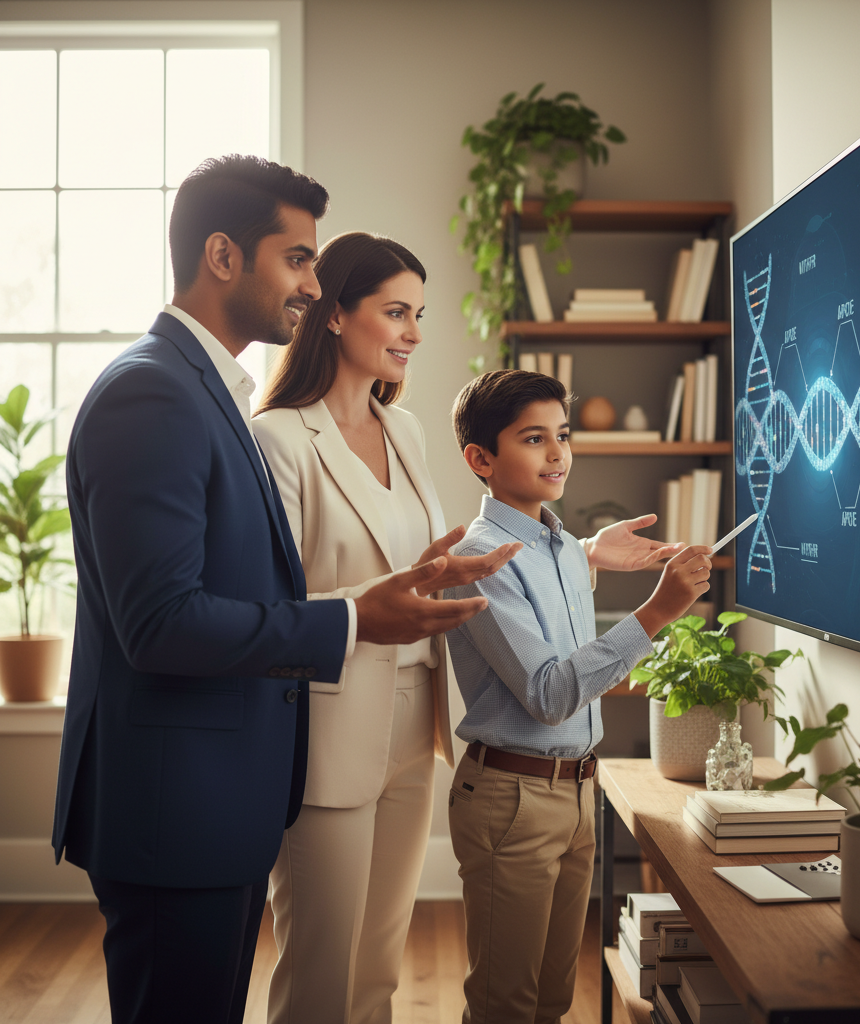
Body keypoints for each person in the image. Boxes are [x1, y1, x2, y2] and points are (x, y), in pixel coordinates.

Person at [51, 157, 487, 1024]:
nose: (313, 284)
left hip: (221, 796)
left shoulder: (206, 390)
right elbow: (161, 623)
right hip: (179, 806)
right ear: (222, 255)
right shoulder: (155, 393)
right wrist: (359, 615)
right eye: (297, 260)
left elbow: (244, 581)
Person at [250, 231, 520, 1024]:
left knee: (378, 964)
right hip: (329, 721)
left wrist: (453, 571)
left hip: (418, 718)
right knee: (320, 969)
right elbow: (281, 601)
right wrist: (396, 591)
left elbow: (422, 560)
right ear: (334, 314)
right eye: (396, 311)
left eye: (420, 314)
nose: (414, 332)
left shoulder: (405, 431)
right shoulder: (278, 438)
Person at [445, 369, 713, 1023]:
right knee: (503, 1004)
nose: (557, 453)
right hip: (512, 801)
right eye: (534, 438)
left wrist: (587, 553)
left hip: (576, 793)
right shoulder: (480, 559)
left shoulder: (560, 545)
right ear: (480, 458)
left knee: (553, 1000)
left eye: (562, 435)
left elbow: (565, 643)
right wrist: (657, 613)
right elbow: (549, 692)